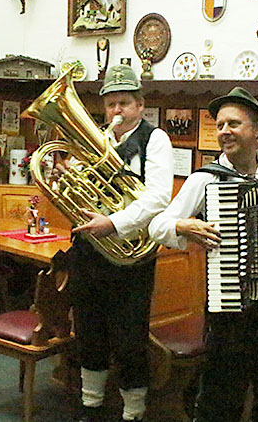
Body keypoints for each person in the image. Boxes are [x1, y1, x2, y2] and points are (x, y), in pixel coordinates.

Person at [148, 87, 258, 422]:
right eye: (219, 125)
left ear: (257, 129)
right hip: (230, 311)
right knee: (221, 395)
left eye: (233, 123)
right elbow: (158, 225)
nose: (223, 132)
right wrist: (185, 228)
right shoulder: (206, 179)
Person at [61, 64, 173, 422]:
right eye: (110, 104)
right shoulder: (95, 139)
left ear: (140, 105)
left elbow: (158, 198)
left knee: (129, 339)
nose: (117, 112)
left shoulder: (156, 139)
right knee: (89, 331)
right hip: (90, 252)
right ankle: (90, 405)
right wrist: (67, 177)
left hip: (131, 255)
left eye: (124, 103)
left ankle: (133, 412)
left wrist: (114, 222)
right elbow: (78, 194)